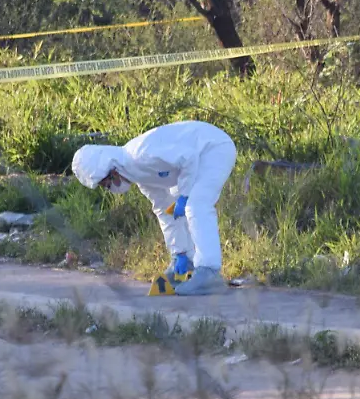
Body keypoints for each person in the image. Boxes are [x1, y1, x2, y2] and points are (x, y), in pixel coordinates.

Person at [71, 120, 237, 296]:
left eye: (106, 183)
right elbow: (164, 211)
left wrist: (185, 193)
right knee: (174, 208)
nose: (109, 188)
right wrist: (178, 252)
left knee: (196, 205)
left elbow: (188, 157)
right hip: (195, 160)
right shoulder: (140, 177)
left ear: (113, 171)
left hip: (213, 148)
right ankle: (186, 263)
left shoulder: (140, 154)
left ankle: (209, 272)